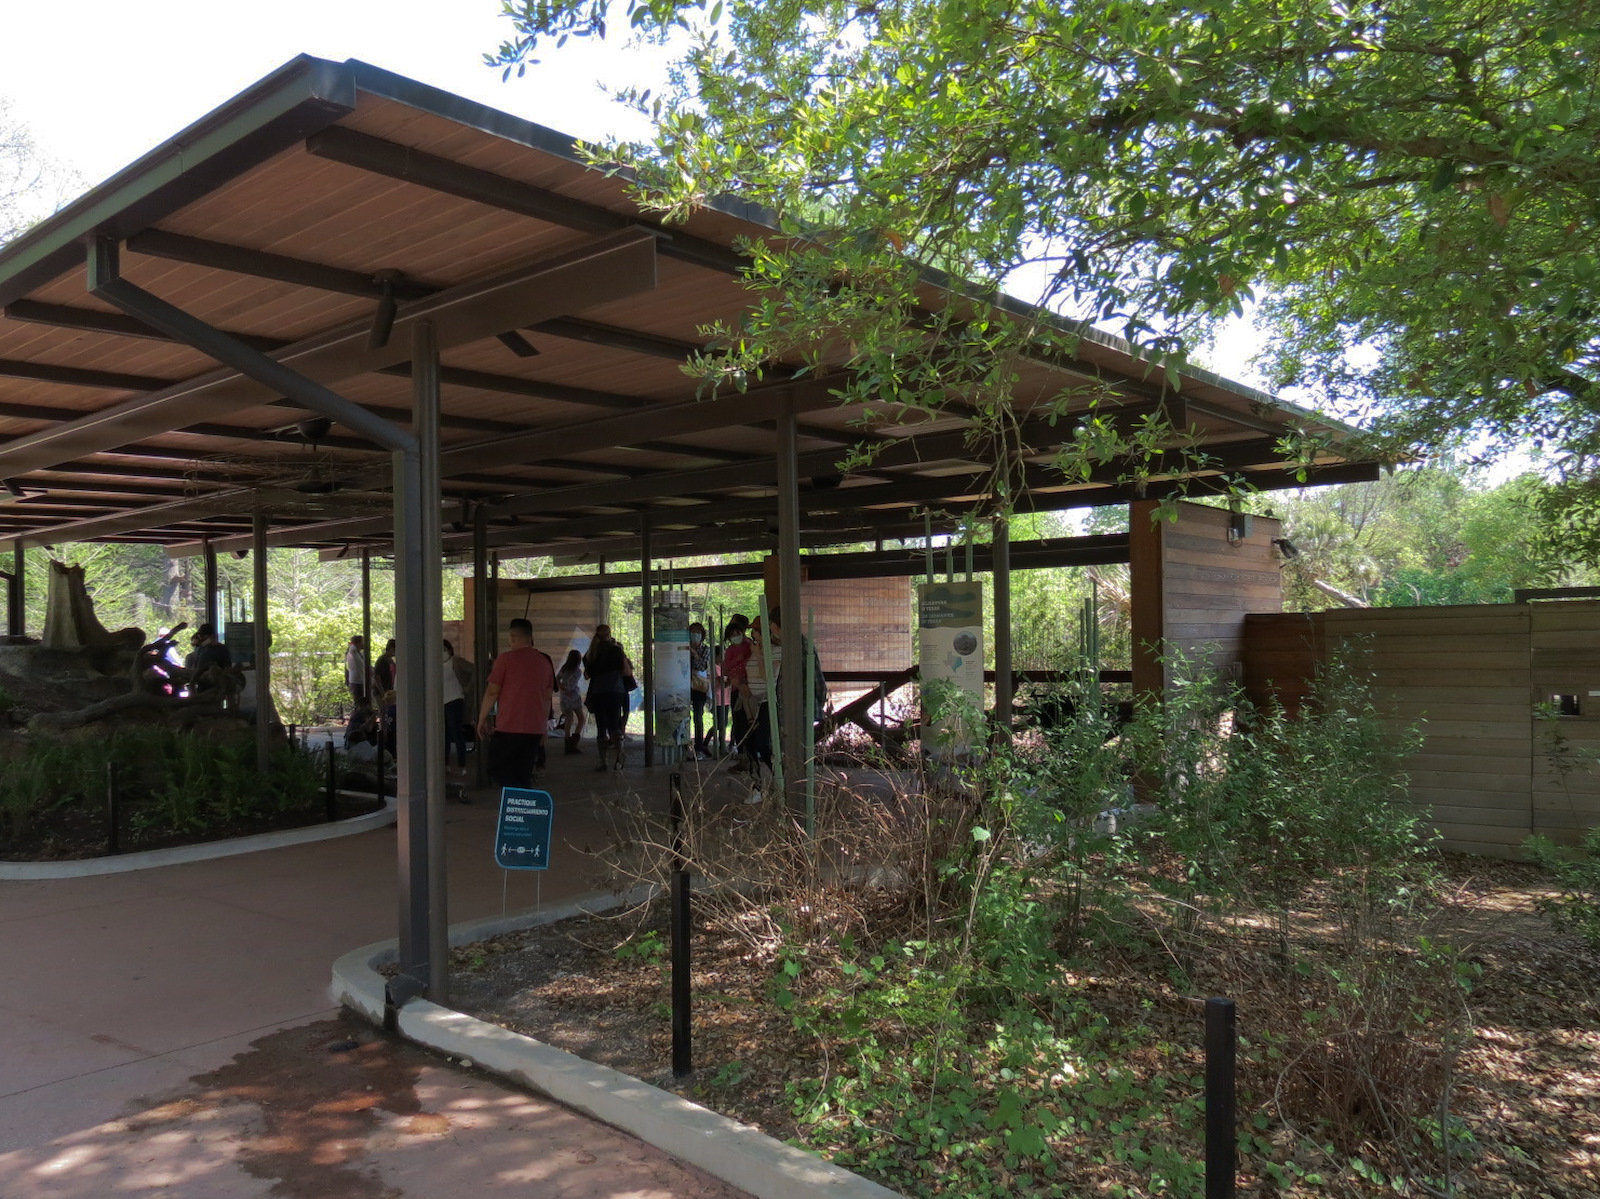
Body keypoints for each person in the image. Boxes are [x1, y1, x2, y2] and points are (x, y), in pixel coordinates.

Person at [476, 618, 557, 788]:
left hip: (509, 726)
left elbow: (492, 691)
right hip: (534, 728)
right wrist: (543, 726)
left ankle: (519, 799)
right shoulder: (544, 663)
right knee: (523, 772)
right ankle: (523, 806)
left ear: (513, 637)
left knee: (497, 767)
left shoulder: (505, 659)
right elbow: (547, 698)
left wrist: (482, 718)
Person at [582, 623, 634, 772]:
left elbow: (587, 675)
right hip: (615, 690)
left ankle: (602, 761)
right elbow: (627, 672)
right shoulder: (617, 650)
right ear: (610, 634)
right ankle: (619, 753)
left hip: (598, 691)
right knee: (615, 724)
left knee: (601, 726)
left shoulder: (592, 652)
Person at [721, 615, 754, 772]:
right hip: (737, 689)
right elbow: (726, 668)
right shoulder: (731, 650)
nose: (736, 636)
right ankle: (743, 757)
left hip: (750, 689)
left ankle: (750, 756)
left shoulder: (751, 645)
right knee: (740, 724)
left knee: (748, 723)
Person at [442, 639, 468, 776]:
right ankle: (446, 764)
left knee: (456, 733)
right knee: (444, 735)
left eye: (443, 649)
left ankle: (462, 764)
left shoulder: (455, 661)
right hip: (442, 703)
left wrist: (468, 689)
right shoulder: (435, 666)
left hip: (455, 701)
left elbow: (472, 670)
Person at [556, 648, 586, 754]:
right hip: (573, 697)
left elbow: (557, 678)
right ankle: (574, 742)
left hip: (564, 697)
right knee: (581, 719)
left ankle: (567, 742)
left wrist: (562, 688)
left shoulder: (564, 668)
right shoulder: (577, 671)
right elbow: (573, 684)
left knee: (569, 719)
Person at [688, 621, 712, 759]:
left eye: (697, 632)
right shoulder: (683, 647)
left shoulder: (706, 649)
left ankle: (699, 746)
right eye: (692, 632)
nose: (695, 635)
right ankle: (684, 745)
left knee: (698, 715)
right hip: (684, 684)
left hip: (699, 686)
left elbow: (702, 666)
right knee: (684, 715)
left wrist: (694, 654)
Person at [344, 634, 367, 707]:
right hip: (356, 681)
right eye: (362, 642)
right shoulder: (353, 651)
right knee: (358, 703)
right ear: (358, 643)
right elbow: (361, 665)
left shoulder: (359, 653)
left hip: (360, 681)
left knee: (361, 703)